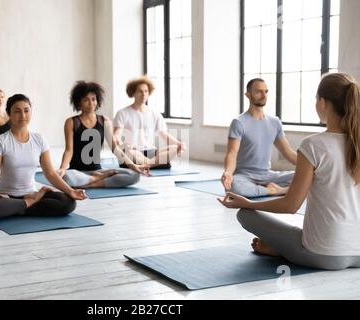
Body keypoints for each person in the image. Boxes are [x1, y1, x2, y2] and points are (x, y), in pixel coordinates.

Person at [219, 73, 360, 271]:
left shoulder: (313, 144)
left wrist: (248, 203)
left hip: (325, 255)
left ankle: (281, 248)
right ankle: (283, 245)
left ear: (322, 102)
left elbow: (291, 205)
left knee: (245, 214)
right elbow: (232, 153)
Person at [0, 94, 86, 221]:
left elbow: (50, 173)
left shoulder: (39, 139)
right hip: (6, 197)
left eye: (26, 110)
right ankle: (30, 203)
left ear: (31, 112)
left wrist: (71, 191)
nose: (23, 116)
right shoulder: (1, 141)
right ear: (9, 114)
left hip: (30, 193)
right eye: (17, 111)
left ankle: (18, 208)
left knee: (68, 202)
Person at [58, 81, 149, 188]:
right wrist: (62, 169)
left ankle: (93, 183)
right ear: (79, 103)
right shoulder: (71, 122)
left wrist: (133, 165)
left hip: (99, 171)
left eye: (93, 99)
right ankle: (95, 180)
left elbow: (115, 148)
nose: (91, 103)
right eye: (86, 100)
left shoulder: (104, 120)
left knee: (134, 175)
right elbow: (69, 151)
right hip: (77, 171)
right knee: (67, 178)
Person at [221, 78, 297, 198]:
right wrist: (228, 173)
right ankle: (275, 191)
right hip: (244, 176)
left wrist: (309, 168)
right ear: (248, 95)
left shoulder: (275, 122)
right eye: (258, 92)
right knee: (234, 186)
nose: (264, 95)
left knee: (305, 177)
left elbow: (288, 152)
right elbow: (232, 153)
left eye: (266, 91)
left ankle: (273, 189)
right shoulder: (239, 122)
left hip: (267, 175)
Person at [113, 76, 186, 169]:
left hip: (151, 151)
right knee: (126, 150)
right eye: (140, 91)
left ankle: (146, 165)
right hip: (133, 151)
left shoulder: (155, 114)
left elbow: (164, 134)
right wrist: (117, 139)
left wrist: (179, 144)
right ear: (133, 93)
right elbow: (117, 134)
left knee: (175, 148)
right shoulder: (122, 113)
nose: (143, 94)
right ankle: (156, 163)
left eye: (146, 91)